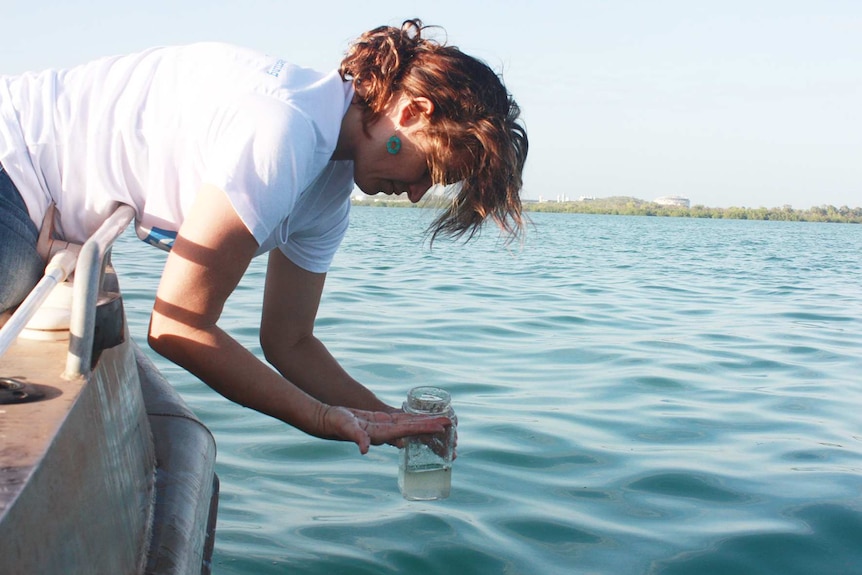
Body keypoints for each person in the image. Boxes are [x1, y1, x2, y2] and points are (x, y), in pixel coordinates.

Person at [0, 19, 528, 454]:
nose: (416, 194)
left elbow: (289, 340)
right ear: (411, 113)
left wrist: (388, 420)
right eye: (428, 170)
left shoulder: (328, 192)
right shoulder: (285, 132)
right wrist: (319, 417)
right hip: (13, 157)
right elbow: (179, 327)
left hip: (38, 211)